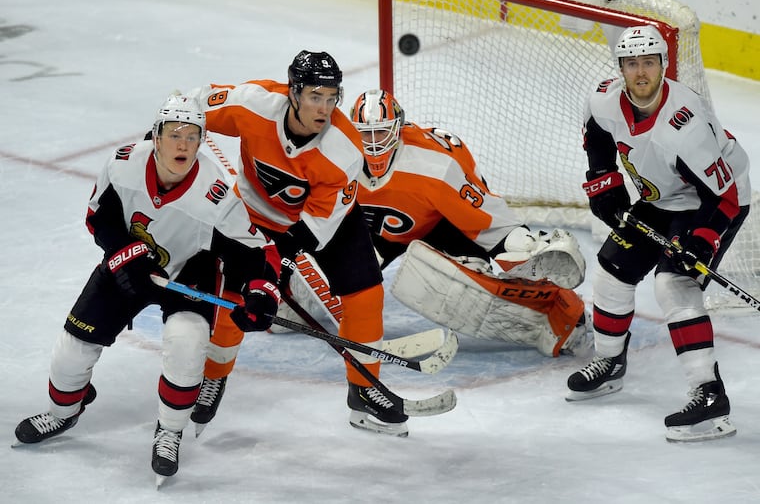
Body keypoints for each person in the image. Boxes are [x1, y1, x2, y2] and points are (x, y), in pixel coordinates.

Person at [13, 96, 282, 483]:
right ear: (156, 137)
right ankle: (63, 413)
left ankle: (169, 431)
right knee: (71, 351)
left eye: (193, 136)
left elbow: (255, 252)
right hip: (127, 267)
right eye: (175, 135)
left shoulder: (216, 193)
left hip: (189, 271)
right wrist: (127, 254)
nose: (184, 145)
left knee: (187, 345)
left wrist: (259, 292)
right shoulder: (123, 164)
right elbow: (99, 218)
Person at [187, 51, 409, 437]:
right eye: (314, 96)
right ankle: (214, 375)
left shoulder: (343, 149)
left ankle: (363, 388)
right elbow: (192, 107)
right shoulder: (251, 104)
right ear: (293, 93)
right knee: (238, 295)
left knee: (366, 294)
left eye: (331, 97)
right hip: (255, 214)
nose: (324, 108)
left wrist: (277, 267)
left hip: (327, 221)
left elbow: (314, 227)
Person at [566, 25, 751, 442]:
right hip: (663, 196)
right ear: (621, 68)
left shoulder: (684, 125)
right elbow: (597, 136)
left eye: (649, 62)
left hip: (716, 199)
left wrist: (701, 240)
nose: (641, 72)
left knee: (674, 285)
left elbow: (724, 195)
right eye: (631, 64)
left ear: (664, 65)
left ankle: (709, 394)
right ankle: (610, 363)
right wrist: (604, 182)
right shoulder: (603, 99)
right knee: (611, 273)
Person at [348, 89, 589, 357]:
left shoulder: (435, 165)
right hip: (373, 233)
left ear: (398, 128)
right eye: (364, 133)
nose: (372, 143)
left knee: (459, 290)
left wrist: (523, 246)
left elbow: (489, 222)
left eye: (380, 132)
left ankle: (562, 312)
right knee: (313, 284)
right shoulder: (339, 157)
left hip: (440, 227)